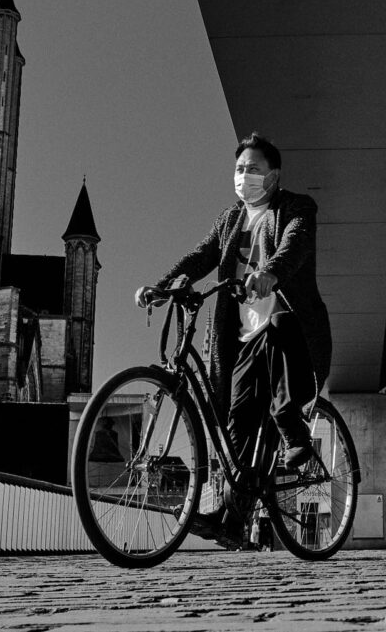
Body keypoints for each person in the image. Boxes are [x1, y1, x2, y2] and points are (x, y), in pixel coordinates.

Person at [135, 132, 332, 542]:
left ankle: (294, 430)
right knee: (237, 422)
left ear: (273, 176)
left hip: (288, 329)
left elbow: (295, 244)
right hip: (243, 339)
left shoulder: (296, 207)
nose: (245, 176)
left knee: (278, 327)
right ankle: (232, 520)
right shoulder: (230, 221)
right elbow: (201, 256)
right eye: (240, 169)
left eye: (254, 169)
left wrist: (269, 273)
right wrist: (162, 285)